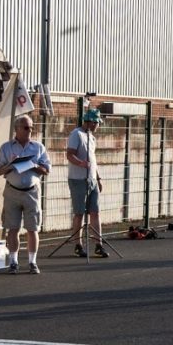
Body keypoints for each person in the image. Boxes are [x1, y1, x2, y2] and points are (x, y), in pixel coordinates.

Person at [0, 114, 51, 274]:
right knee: (12, 228)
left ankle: (32, 262)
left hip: (32, 191)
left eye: (32, 127)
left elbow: (46, 170)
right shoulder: (6, 147)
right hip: (12, 190)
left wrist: (32, 165)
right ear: (17, 129)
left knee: (33, 228)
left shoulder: (38, 147)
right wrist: (11, 165)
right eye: (26, 127)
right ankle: (13, 261)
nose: (30, 130)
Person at [66, 108, 107, 258]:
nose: (98, 126)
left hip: (92, 180)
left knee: (95, 212)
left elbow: (93, 160)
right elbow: (69, 154)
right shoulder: (76, 134)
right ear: (89, 121)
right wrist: (81, 163)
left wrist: (98, 178)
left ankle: (98, 244)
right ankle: (78, 244)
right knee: (79, 213)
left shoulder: (92, 138)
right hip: (78, 180)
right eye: (96, 122)